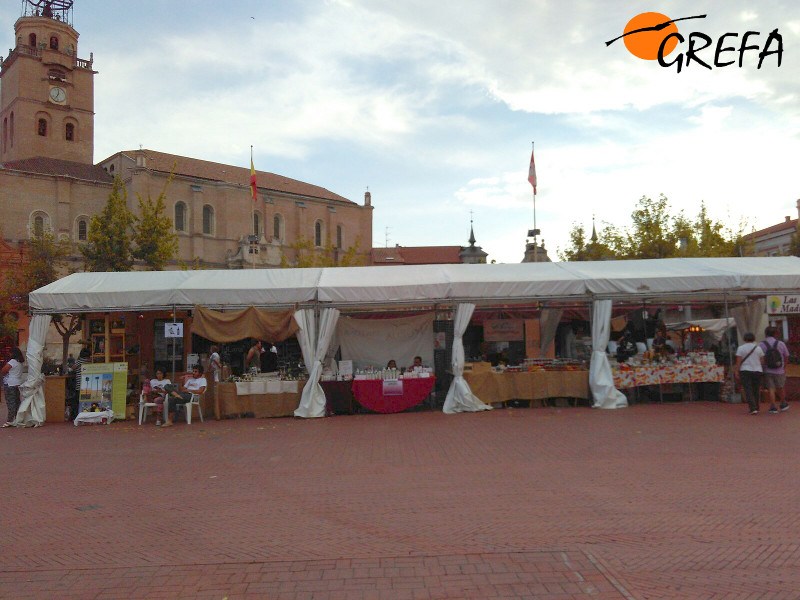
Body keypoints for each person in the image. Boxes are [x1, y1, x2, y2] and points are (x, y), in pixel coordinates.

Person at [760, 326, 790, 414]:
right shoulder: (781, 343)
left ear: (765, 334)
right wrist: (784, 367)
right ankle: (783, 403)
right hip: (779, 369)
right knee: (780, 387)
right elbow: (786, 356)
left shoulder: (761, 344)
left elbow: (761, 358)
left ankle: (773, 406)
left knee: (771, 388)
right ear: (775, 334)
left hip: (767, 370)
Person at [735, 332, 765, 415]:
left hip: (745, 370)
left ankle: (752, 407)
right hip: (757, 370)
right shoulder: (758, 348)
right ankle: (757, 406)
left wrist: (737, 371)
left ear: (744, 339)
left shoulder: (741, 348)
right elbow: (762, 360)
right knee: (756, 389)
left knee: (748, 389)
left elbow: (738, 361)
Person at [1, 347, 25, 427]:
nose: (9, 354)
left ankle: (10, 420)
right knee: (17, 401)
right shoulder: (20, 362)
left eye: (10, 352)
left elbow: (4, 370)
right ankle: (17, 418)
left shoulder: (12, 362)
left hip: (10, 383)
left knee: (10, 402)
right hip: (17, 382)